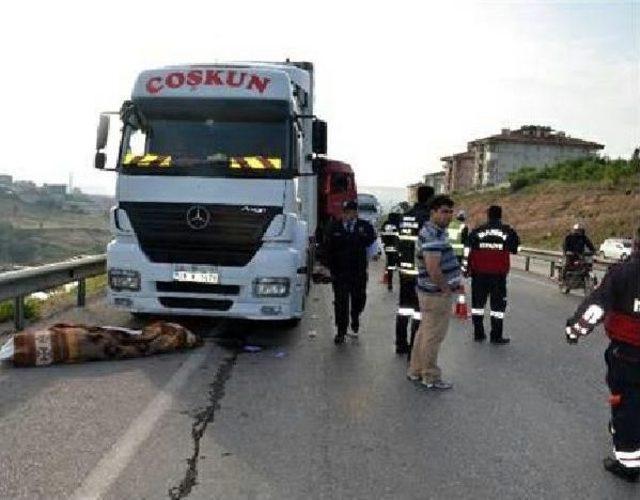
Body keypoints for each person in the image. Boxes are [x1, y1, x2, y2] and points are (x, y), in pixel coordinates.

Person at [565, 227, 640, 482]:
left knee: (627, 405)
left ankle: (628, 464)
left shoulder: (623, 273)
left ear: (636, 243)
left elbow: (596, 308)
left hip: (629, 354)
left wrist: (575, 330)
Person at [407, 195, 462, 389]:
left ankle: (415, 370)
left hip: (430, 291)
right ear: (433, 212)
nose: (448, 216)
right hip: (435, 293)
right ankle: (430, 375)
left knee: (424, 332)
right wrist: (446, 288)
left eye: (450, 212)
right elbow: (432, 267)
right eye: (444, 212)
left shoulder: (436, 232)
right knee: (433, 336)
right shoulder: (432, 234)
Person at [325, 200, 377, 344]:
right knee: (340, 302)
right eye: (344, 212)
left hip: (358, 271)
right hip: (339, 272)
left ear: (355, 212)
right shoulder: (334, 227)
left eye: (350, 212)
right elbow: (327, 248)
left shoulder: (365, 227)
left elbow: (372, 246)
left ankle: (355, 316)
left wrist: (370, 258)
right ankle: (341, 331)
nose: (346, 215)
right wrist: (327, 267)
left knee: (359, 299)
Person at [466, 205, 520, 344]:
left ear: (488, 215)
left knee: (478, 305)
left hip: (479, 274)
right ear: (500, 215)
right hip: (498, 275)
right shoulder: (507, 231)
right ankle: (496, 336)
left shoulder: (478, 230)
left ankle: (478, 333)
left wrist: (466, 268)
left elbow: (468, 248)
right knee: (498, 307)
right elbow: (516, 249)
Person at [395, 185, 434, 355]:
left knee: (404, 308)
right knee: (419, 311)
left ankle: (400, 344)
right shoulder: (427, 218)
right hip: (420, 270)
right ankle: (414, 347)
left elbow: (399, 242)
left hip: (405, 269)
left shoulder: (406, 216)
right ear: (430, 198)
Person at [380, 211, 401, 291]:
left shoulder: (386, 224)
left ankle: (390, 284)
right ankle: (401, 283)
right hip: (399, 249)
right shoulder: (398, 224)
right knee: (400, 267)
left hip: (389, 248)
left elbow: (383, 236)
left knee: (390, 266)